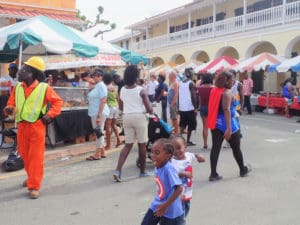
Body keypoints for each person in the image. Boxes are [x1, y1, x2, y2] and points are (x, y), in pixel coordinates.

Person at [4, 56, 63, 199]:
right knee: (25, 155)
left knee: (35, 157)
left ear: (32, 73)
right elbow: (11, 104)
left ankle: (34, 186)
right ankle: (31, 177)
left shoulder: (44, 88)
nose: (19, 72)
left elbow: (58, 103)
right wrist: (9, 109)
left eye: (23, 69)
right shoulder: (17, 87)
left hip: (37, 127)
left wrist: (50, 115)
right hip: (22, 127)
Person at [207, 71, 251, 181]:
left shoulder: (214, 90)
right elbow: (226, 109)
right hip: (228, 123)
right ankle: (242, 169)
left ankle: (213, 174)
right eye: (232, 80)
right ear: (226, 81)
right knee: (236, 148)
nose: (233, 82)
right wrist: (229, 128)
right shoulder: (227, 93)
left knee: (215, 148)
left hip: (216, 123)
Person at [113, 65, 153, 182]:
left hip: (127, 117)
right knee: (142, 145)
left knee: (127, 145)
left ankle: (118, 170)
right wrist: (151, 110)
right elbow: (149, 108)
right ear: (136, 77)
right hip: (139, 117)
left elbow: (121, 106)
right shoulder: (141, 90)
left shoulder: (122, 90)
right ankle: (142, 171)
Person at [141, 138, 184, 225]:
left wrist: (165, 206)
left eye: (157, 153)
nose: (153, 155)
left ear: (168, 155)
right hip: (157, 204)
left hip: (171, 211)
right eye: (152, 152)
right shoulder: (158, 165)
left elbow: (179, 188)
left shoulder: (168, 169)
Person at [171, 135, 205, 224]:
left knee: (186, 211)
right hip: (178, 194)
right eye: (174, 149)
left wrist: (199, 156)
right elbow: (171, 176)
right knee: (180, 217)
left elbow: (194, 155)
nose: (177, 152)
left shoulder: (188, 155)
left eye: (179, 148)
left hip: (187, 193)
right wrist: (182, 174)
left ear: (185, 146)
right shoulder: (172, 162)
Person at [86, 69, 109, 160]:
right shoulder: (97, 86)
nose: (95, 76)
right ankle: (102, 151)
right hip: (94, 112)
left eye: (97, 75)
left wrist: (99, 115)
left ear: (101, 76)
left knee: (98, 133)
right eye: (94, 75)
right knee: (98, 132)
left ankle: (97, 154)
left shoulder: (101, 86)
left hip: (99, 112)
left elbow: (103, 101)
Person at [178, 68, 198, 146]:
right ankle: (188, 141)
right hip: (189, 108)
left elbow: (179, 96)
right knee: (190, 125)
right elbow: (193, 96)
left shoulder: (180, 83)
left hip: (182, 108)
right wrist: (195, 107)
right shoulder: (191, 83)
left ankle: (179, 140)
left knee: (182, 125)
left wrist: (178, 107)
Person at [102, 73, 122, 150]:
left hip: (109, 107)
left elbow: (104, 99)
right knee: (114, 125)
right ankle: (118, 140)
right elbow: (117, 98)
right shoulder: (115, 87)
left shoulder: (105, 88)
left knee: (108, 126)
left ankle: (108, 145)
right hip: (116, 106)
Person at [198, 73, 213, 150]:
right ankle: (214, 143)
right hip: (211, 108)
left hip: (203, 107)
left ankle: (205, 144)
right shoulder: (213, 88)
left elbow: (200, 99)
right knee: (213, 127)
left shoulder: (200, 88)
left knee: (205, 127)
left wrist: (199, 107)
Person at [168, 70, 179, 134]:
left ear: (172, 76)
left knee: (174, 118)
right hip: (171, 103)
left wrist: (172, 103)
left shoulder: (175, 83)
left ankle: (176, 132)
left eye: (169, 75)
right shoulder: (172, 82)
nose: (168, 76)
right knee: (173, 118)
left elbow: (176, 94)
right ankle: (175, 131)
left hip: (173, 103)